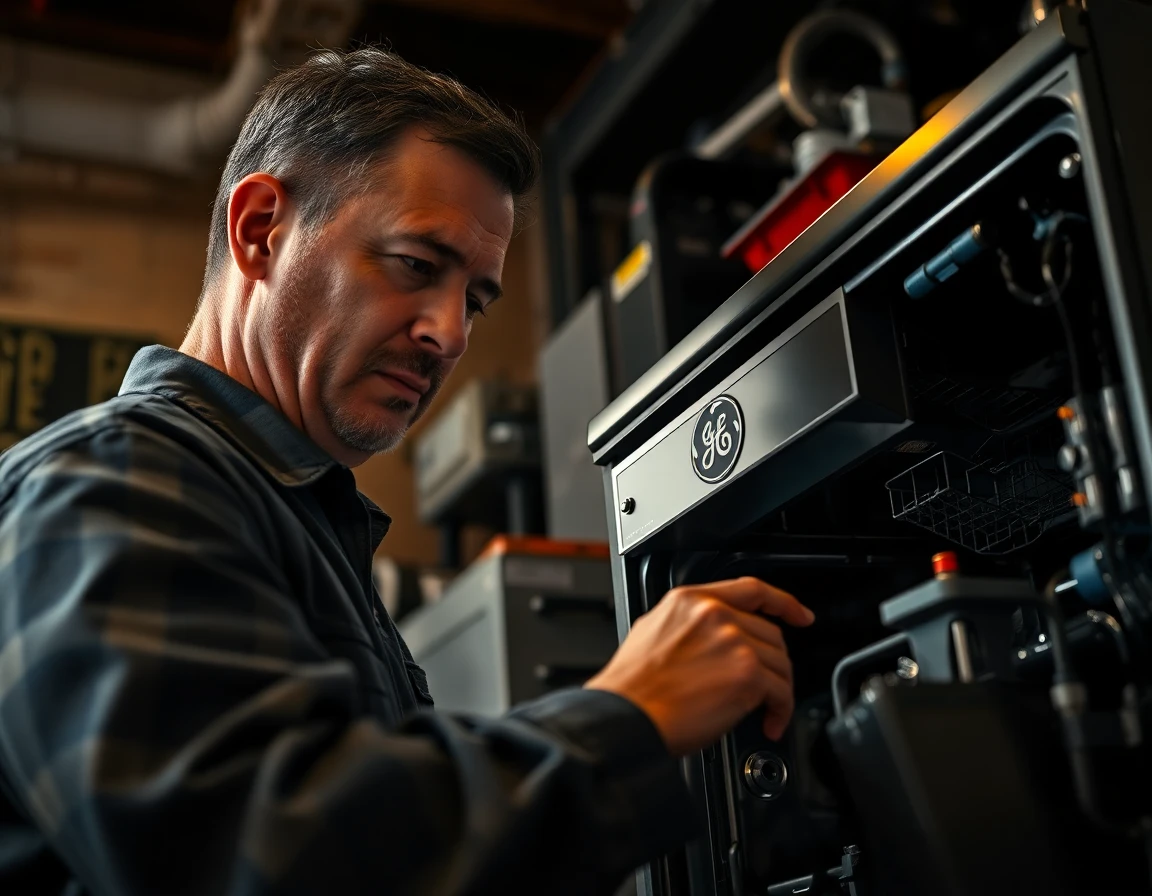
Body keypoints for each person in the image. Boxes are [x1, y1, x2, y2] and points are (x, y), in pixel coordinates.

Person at [0, 48, 813, 895]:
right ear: (260, 231)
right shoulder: (114, 481)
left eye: (476, 298)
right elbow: (267, 860)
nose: (451, 334)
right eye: (417, 267)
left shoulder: (302, 523)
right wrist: (631, 716)